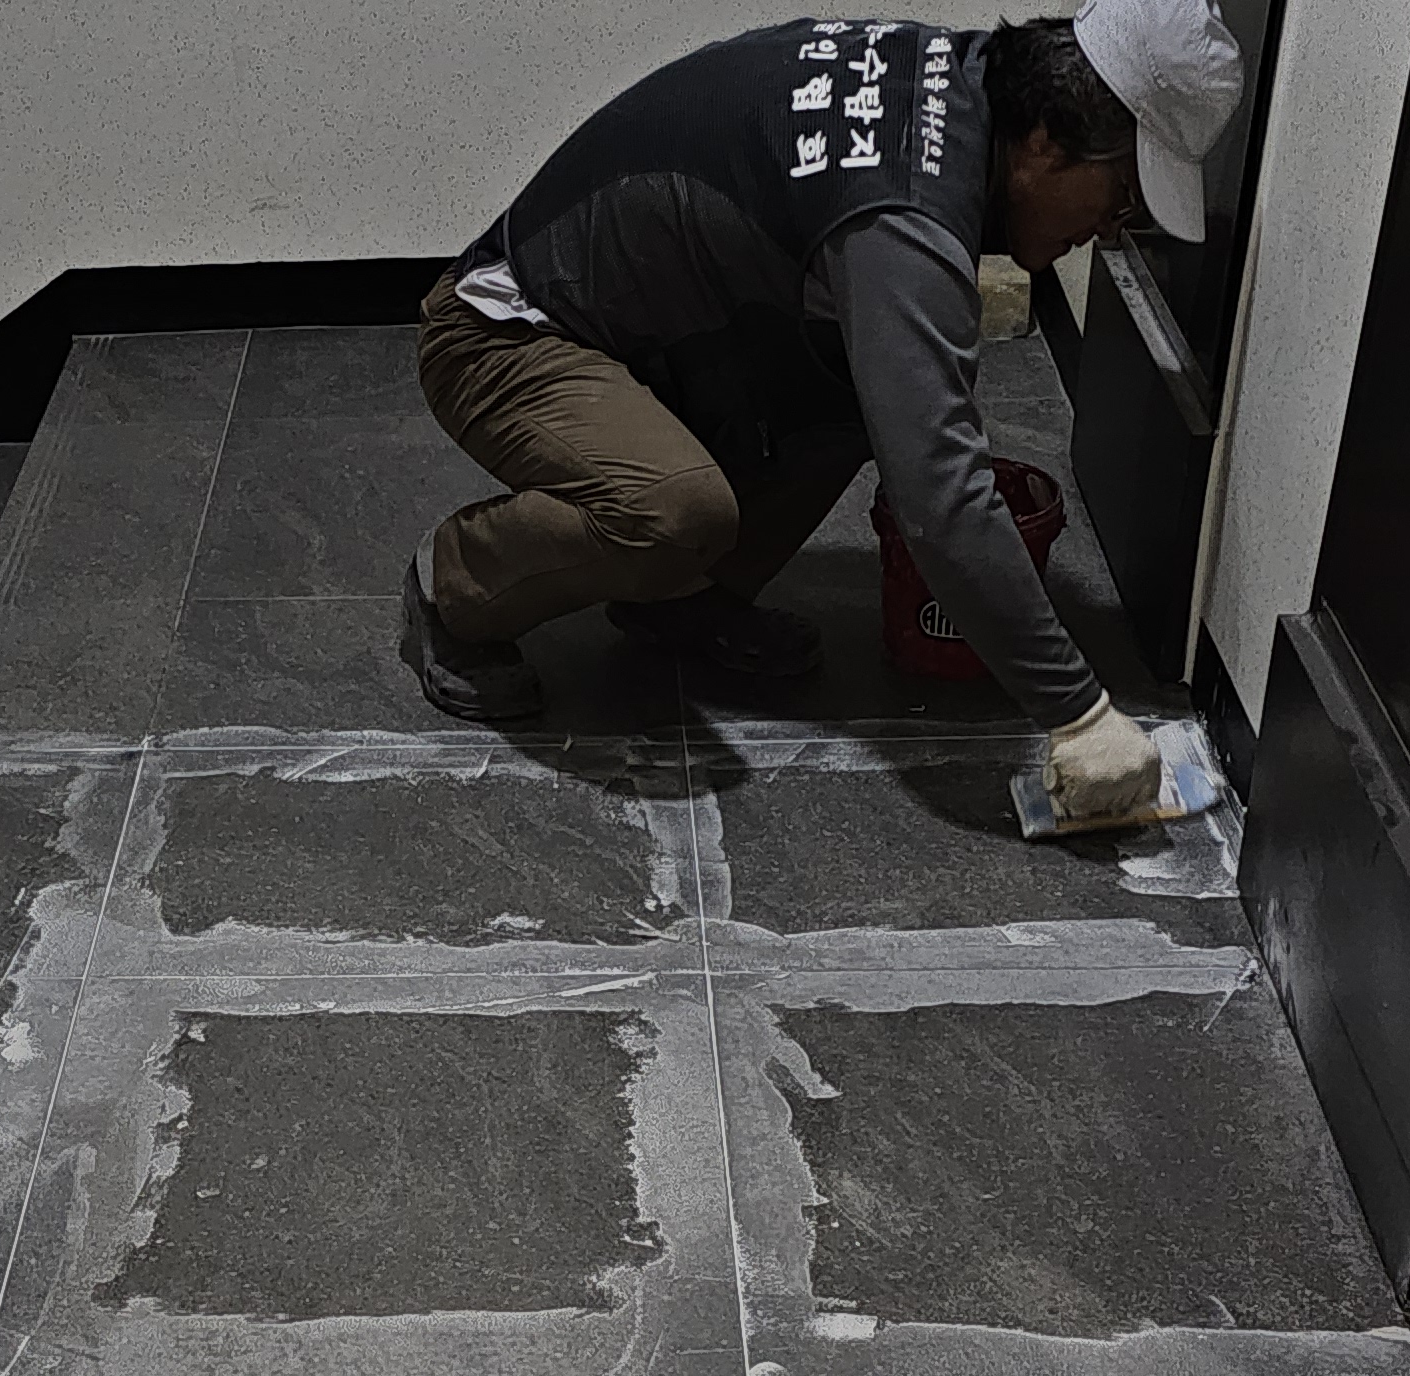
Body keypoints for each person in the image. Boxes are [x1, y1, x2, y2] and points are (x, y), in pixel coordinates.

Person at [401, 0, 1242, 823]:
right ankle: (457, 585)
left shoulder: (964, 88)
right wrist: (1079, 714)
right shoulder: (904, 201)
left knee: (872, 385)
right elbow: (941, 500)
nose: (1110, 231)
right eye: (1120, 197)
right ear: (1048, 141)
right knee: (672, 512)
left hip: (654, 337)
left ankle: (679, 600)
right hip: (502, 333)